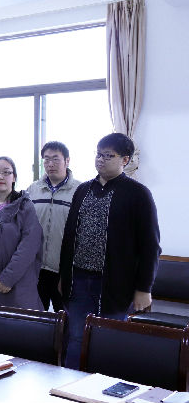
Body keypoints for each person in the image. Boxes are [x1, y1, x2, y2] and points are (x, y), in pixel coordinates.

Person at [60, 133, 161, 369]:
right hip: (78, 279)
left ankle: (103, 386)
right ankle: (68, 382)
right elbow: (69, 237)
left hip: (115, 283)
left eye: (108, 155)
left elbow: (150, 245)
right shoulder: (83, 190)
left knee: (108, 339)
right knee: (75, 337)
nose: (100, 160)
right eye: (98, 154)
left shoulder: (137, 193)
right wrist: (64, 277)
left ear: (125, 160)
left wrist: (144, 288)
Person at [0, 156, 43, 309]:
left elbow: (29, 246)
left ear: (14, 177)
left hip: (18, 283)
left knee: (20, 322)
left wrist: (8, 278)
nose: (0, 177)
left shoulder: (25, 206)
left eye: (6, 172)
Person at [26, 141, 80, 312]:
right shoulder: (33, 189)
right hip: (35, 268)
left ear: (67, 161)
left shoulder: (80, 190)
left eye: (55, 159)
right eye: (46, 159)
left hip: (64, 269)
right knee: (36, 317)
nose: (50, 164)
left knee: (65, 318)